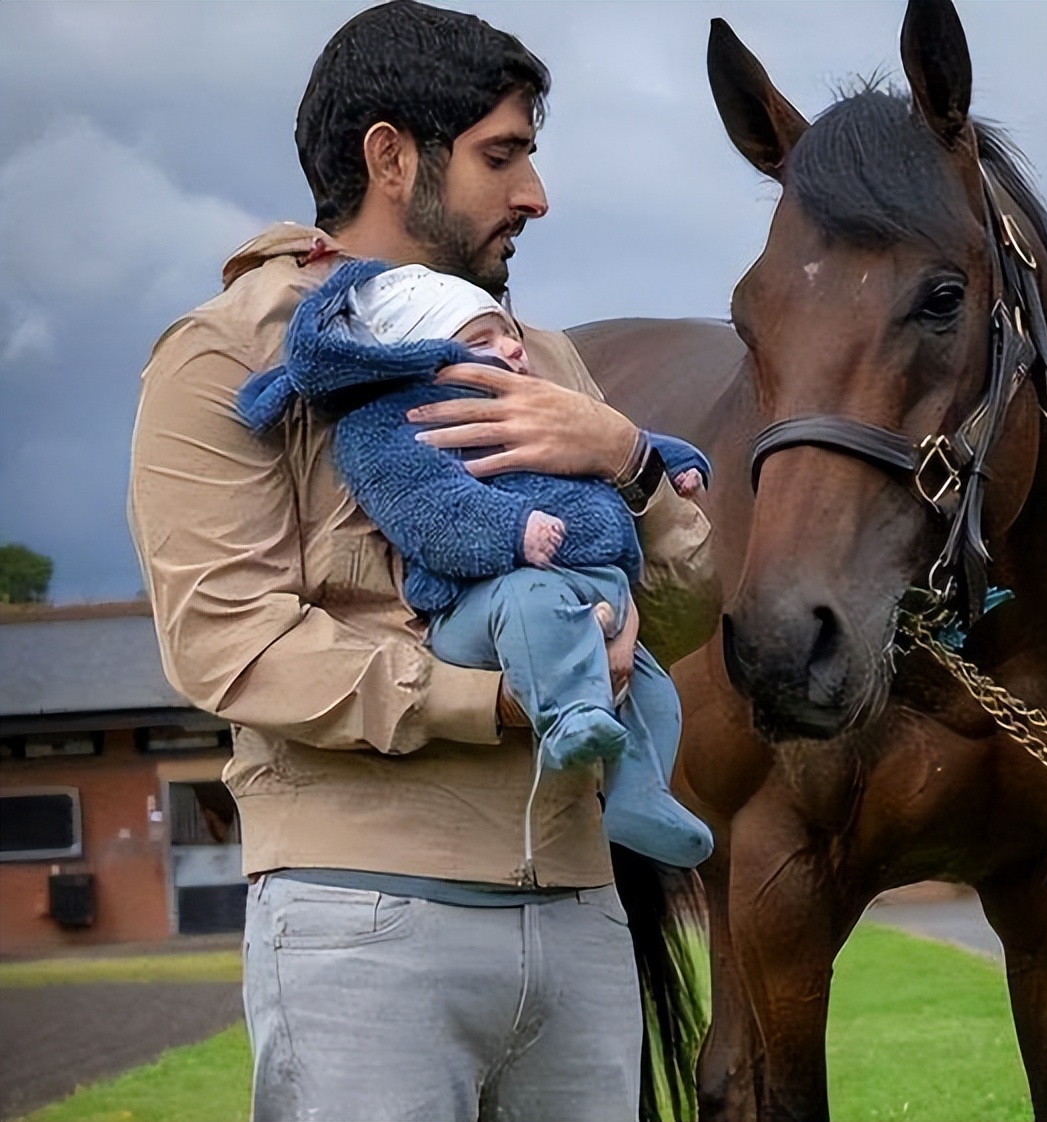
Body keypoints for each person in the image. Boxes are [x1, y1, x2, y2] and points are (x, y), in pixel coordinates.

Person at [126, 3, 720, 1120]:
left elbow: (684, 621)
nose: (535, 194)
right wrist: (499, 699)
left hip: (586, 914)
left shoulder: (545, 360)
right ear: (391, 157)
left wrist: (632, 463)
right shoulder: (228, 355)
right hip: (364, 924)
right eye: (504, 156)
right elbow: (231, 644)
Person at [235, 260, 716, 870]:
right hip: (485, 597)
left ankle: (642, 795)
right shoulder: (394, 424)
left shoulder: (535, 397)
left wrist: (666, 460)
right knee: (532, 602)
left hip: (588, 588)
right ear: (424, 356)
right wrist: (513, 532)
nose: (511, 348)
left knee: (654, 690)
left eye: (507, 333)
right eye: (481, 340)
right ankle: (572, 717)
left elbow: (622, 441)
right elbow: (431, 511)